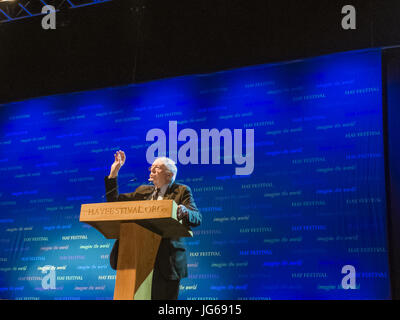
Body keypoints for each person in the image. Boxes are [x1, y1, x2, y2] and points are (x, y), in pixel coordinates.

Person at [104, 150, 202, 300]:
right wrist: (114, 172)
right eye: (151, 167)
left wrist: (184, 210)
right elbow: (114, 203)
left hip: (166, 261)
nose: (151, 170)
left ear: (169, 175)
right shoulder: (142, 191)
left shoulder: (182, 191)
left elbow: (197, 217)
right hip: (135, 257)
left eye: (157, 167)